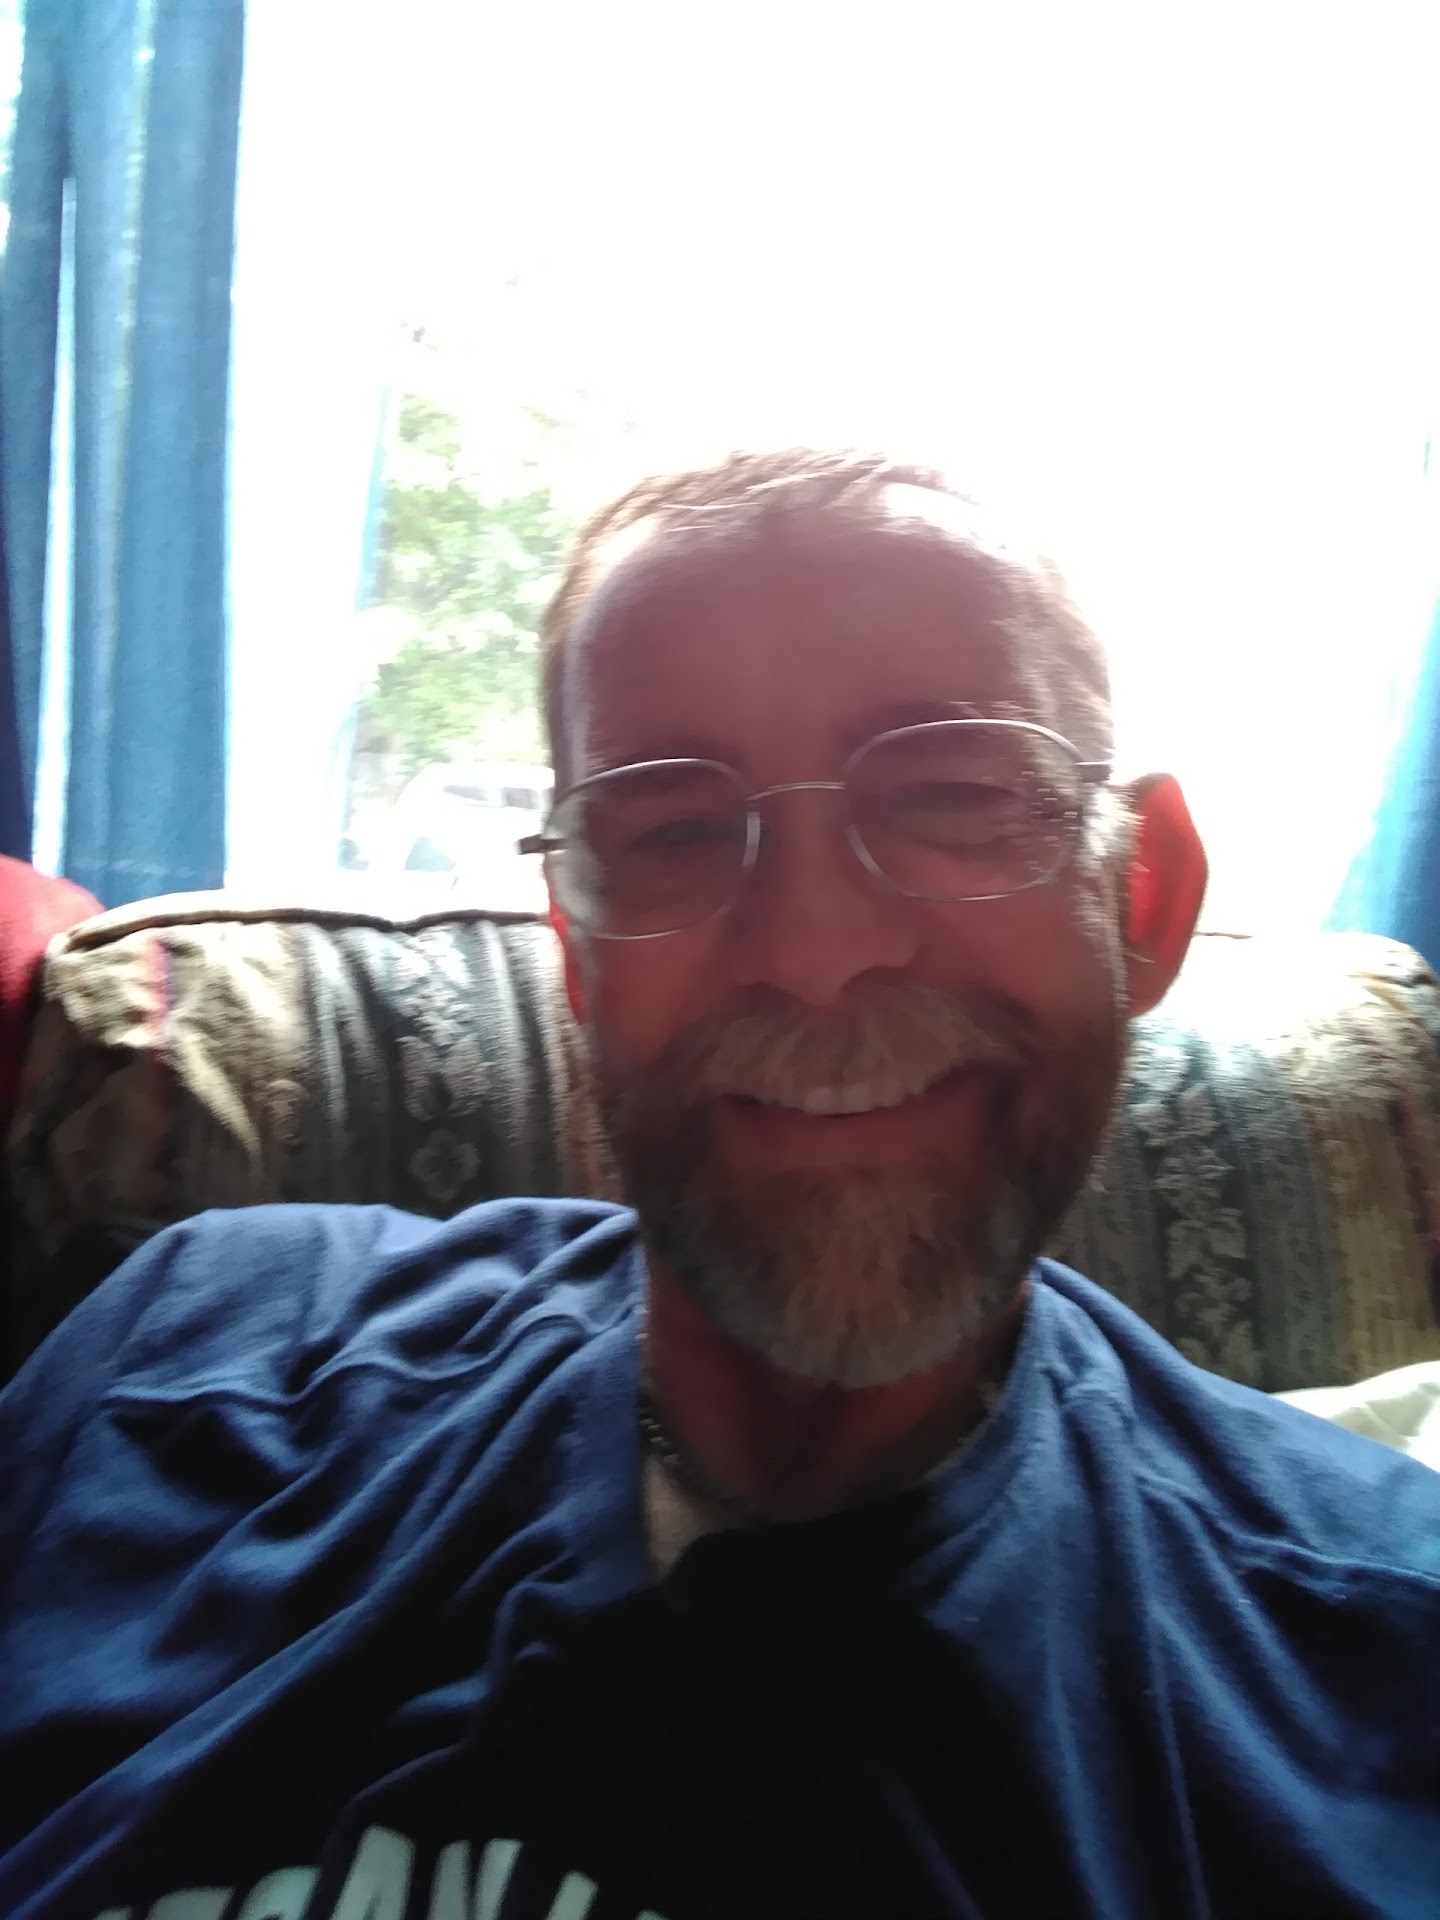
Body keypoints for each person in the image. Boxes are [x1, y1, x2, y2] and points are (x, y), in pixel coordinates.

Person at [1, 451, 1438, 1920]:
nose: (814, 955)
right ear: (576, 946)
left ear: (1143, 898)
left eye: (952, 794)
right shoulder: (191, 1356)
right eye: (674, 830)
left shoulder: (1380, 1661)